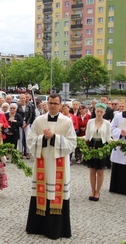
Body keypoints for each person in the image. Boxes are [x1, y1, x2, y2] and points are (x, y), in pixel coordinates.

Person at [26, 93, 77, 239]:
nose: (53, 106)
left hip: (58, 164)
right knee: (41, 191)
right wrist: (43, 137)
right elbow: (30, 140)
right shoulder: (39, 120)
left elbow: (72, 143)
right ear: (47, 104)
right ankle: (37, 226)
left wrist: (54, 137)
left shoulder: (66, 122)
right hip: (42, 162)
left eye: (55, 103)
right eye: (50, 103)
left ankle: (57, 228)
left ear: (61, 105)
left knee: (56, 192)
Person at [84, 103, 111, 201]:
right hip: (92, 145)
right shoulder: (90, 122)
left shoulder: (107, 123)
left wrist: (116, 142)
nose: (99, 113)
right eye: (97, 111)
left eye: (101, 112)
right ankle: (92, 190)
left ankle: (98, 191)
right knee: (92, 170)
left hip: (102, 146)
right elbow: (87, 136)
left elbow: (108, 137)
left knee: (100, 170)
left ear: (104, 113)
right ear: (95, 112)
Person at [17, 94, 35, 159]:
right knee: (20, 138)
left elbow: (31, 115)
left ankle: (28, 152)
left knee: (27, 137)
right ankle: (20, 152)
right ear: (19, 99)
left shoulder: (30, 106)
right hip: (20, 123)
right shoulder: (17, 106)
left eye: (24, 98)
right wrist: (20, 123)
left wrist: (27, 123)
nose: (23, 99)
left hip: (27, 123)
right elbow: (17, 115)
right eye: (21, 98)